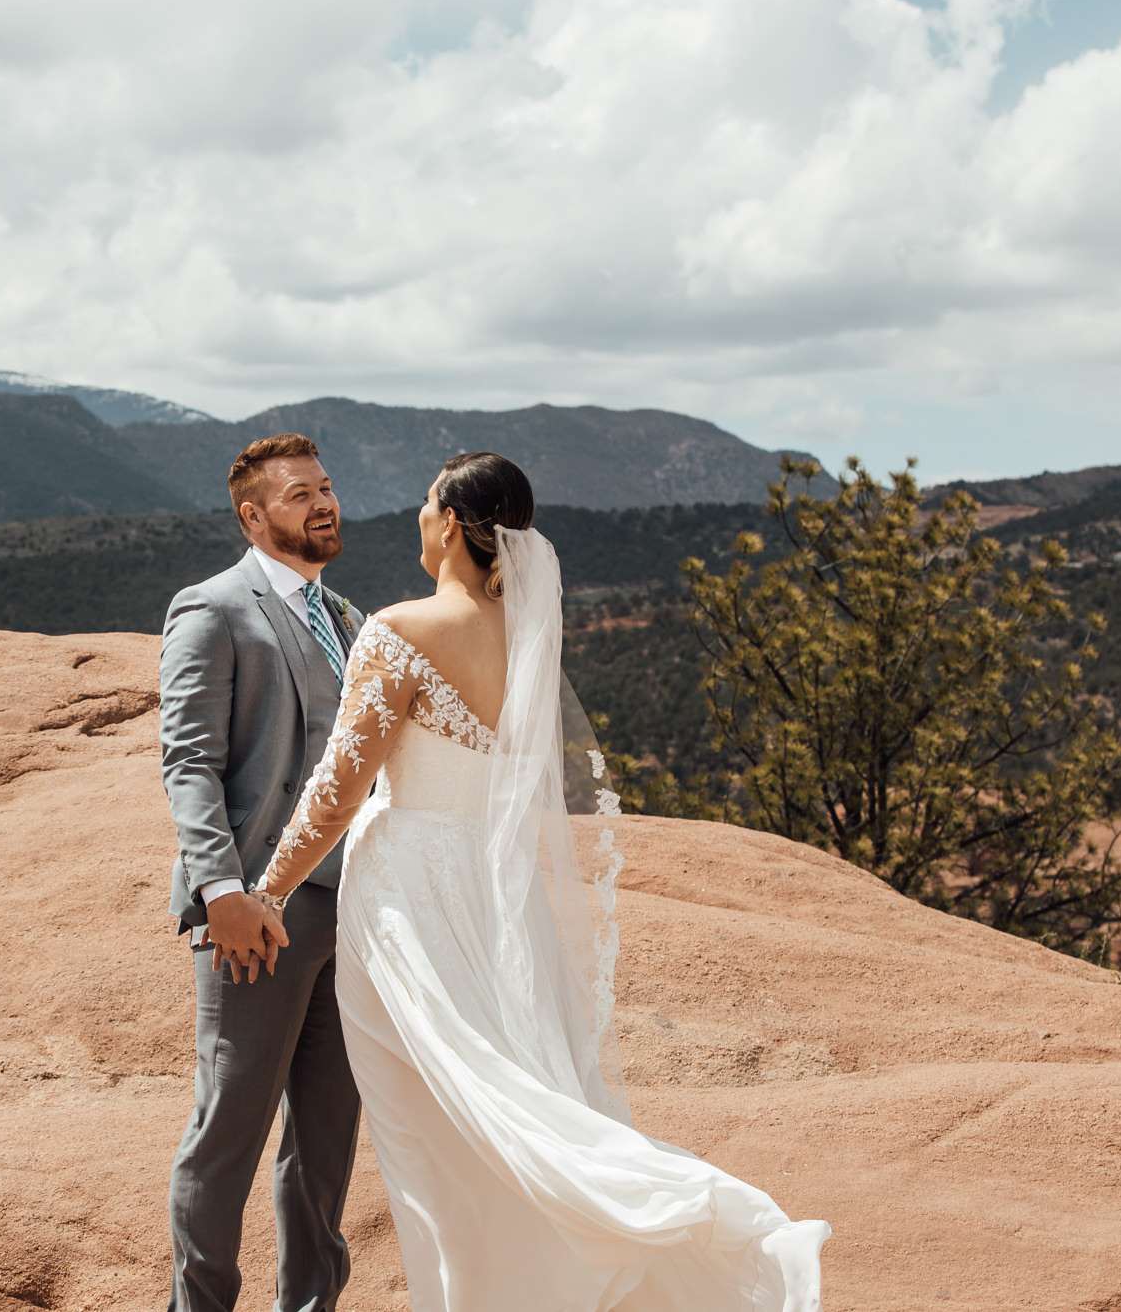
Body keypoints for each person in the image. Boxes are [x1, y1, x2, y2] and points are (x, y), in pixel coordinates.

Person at [246, 451, 831, 1311]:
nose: (415, 516)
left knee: (430, 1127)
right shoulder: (526, 633)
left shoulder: (399, 630)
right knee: (513, 1093)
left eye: (424, 503)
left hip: (412, 893)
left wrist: (264, 894)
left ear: (450, 524)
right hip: (497, 891)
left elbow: (338, 789)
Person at [159, 433, 365, 1312]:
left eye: (324, 488)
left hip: (350, 914)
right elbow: (188, 763)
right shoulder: (213, 610)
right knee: (228, 1132)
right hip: (256, 918)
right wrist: (223, 892)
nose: (322, 503)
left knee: (327, 1137)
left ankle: (311, 1304)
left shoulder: (351, 619)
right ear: (253, 516)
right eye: (297, 495)